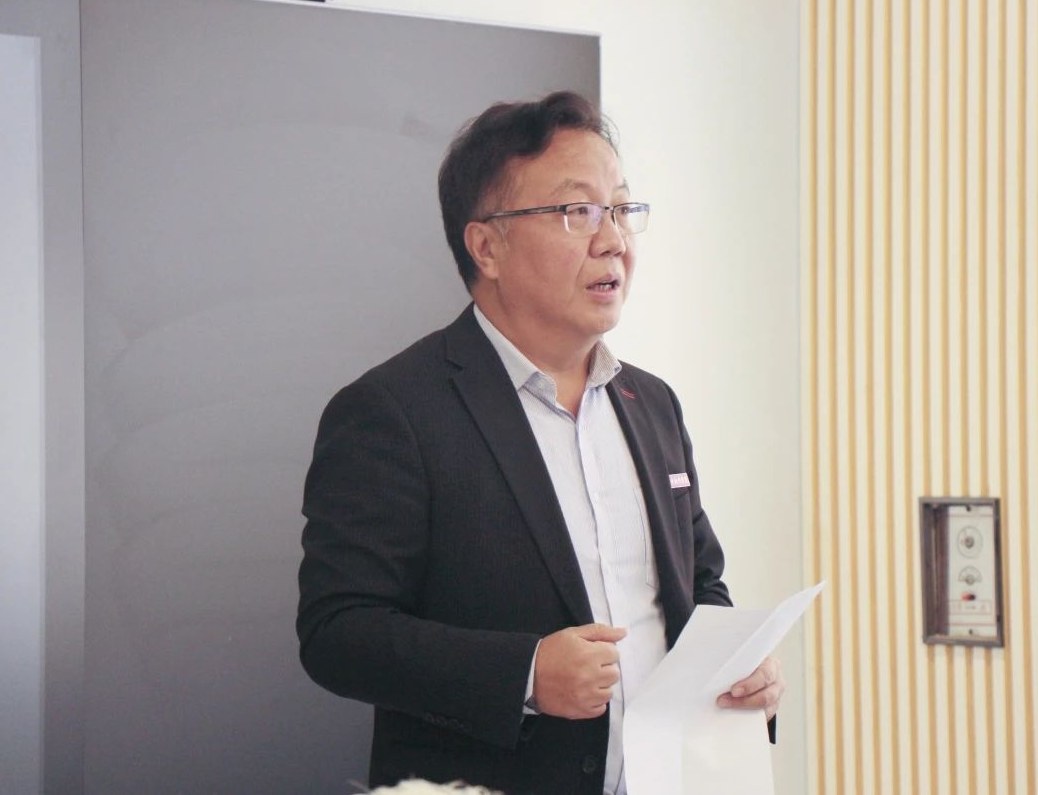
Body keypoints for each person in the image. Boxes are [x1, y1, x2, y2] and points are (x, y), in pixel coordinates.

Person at [297, 91, 784, 795]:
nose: (613, 240)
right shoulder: (392, 412)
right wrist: (523, 674)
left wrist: (737, 666)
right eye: (578, 211)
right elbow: (338, 633)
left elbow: (700, 585)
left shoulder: (652, 404)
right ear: (487, 246)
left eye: (621, 209)